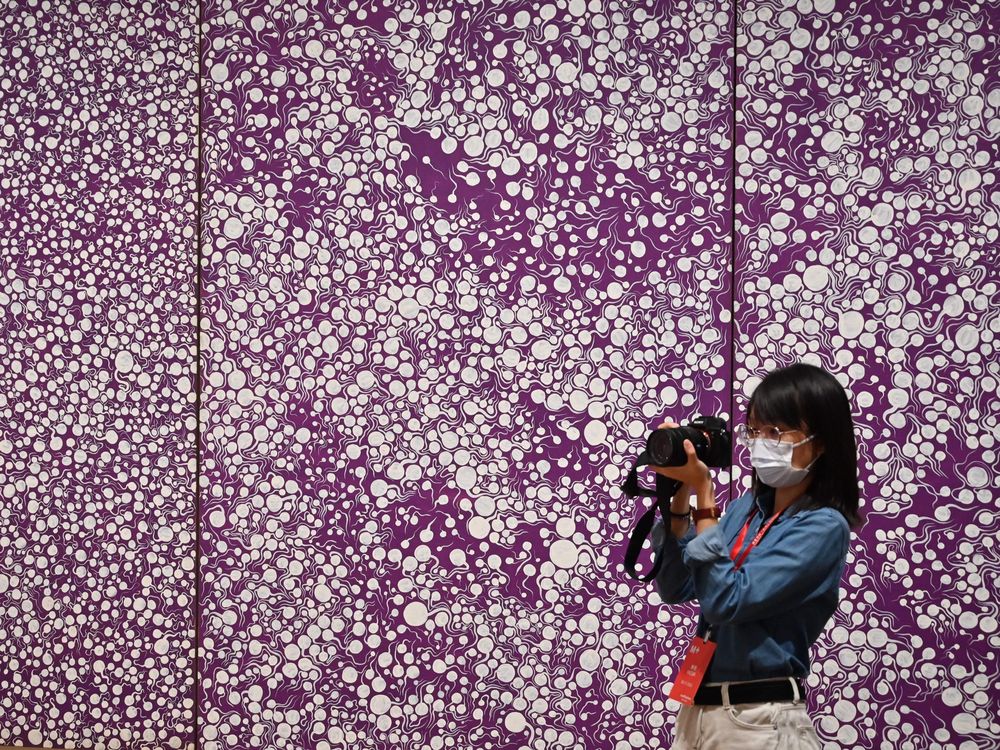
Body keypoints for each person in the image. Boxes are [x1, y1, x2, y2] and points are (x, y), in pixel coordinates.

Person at [648, 362, 862, 749]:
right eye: (756, 430)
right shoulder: (746, 509)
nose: (762, 441)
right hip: (699, 712)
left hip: (759, 719)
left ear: (822, 439)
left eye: (776, 431)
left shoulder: (823, 526)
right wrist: (679, 497)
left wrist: (706, 499)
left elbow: (727, 600)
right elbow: (675, 586)